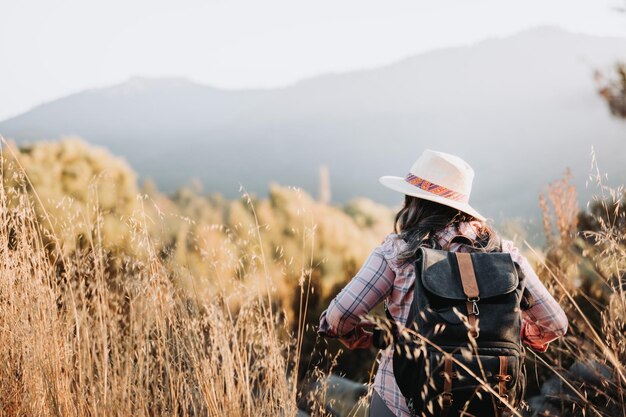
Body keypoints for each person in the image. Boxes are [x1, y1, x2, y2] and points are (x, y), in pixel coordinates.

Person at [317, 149, 568, 417]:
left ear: (414, 201)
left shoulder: (398, 252)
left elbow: (339, 316)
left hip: (401, 399)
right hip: (484, 401)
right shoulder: (504, 253)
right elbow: (556, 323)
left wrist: (359, 336)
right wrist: (512, 332)